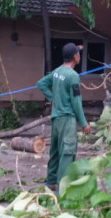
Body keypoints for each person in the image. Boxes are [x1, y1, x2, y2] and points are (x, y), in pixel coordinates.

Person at [37, 43, 91, 191]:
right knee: (67, 151)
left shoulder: (57, 72)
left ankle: (51, 182)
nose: (80, 55)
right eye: (79, 53)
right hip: (67, 119)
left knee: (55, 151)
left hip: (56, 118)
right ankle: (63, 187)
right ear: (75, 56)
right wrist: (84, 123)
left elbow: (41, 84)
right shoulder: (73, 76)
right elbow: (76, 102)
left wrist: (53, 98)